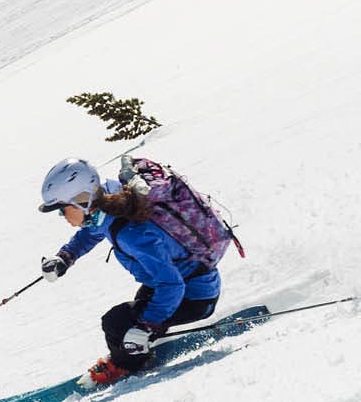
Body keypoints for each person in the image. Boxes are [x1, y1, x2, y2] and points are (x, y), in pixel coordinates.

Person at [37, 157, 224, 386]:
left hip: (195, 297)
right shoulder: (110, 202)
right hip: (178, 282)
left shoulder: (132, 235)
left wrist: (148, 326)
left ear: (82, 201)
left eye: (62, 210)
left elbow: (173, 286)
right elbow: (93, 231)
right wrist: (66, 256)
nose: (62, 217)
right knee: (135, 312)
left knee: (116, 322)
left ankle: (124, 366)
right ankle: (136, 350)